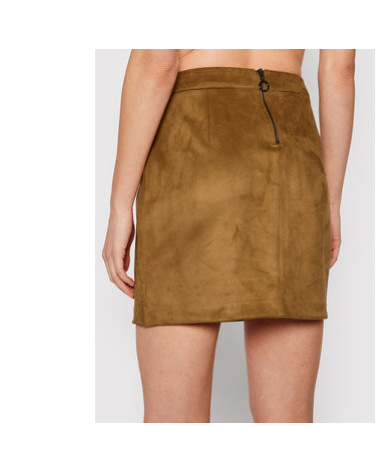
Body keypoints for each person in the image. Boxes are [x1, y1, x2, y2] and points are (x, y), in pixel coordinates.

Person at [102, 49, 355, 423]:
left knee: (173, 422)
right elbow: (339, 71)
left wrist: (120, 206)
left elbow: (157, 63)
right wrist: (330, 202)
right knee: (288, 422)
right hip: (290, 157)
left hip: (192, 148)